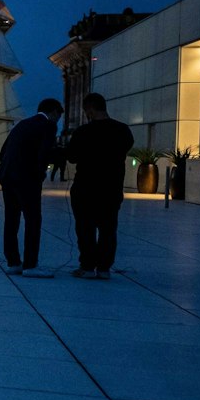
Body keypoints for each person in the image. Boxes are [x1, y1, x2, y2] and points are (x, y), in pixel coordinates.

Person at [62, 93, 135, 279]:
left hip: (85, 187)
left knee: (85, 228)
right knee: (108, 229)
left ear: (90, 110)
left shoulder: (83, 132)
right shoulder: (122, 130)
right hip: (111, 188)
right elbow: (125, 148)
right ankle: (104, 268)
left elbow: (71, 157)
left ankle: (87, 266)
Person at [0, 98, 62, 277]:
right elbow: (44, 153)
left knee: (11, 219)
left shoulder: (22, 124)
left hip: (8, 176)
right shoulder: (48, 126)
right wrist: (40, 174)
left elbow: (3, 150)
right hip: (27, 179)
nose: (58, 120)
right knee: (33, 220)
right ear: (54, 112)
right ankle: (30, 265)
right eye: (58, 116)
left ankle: (13, 262)